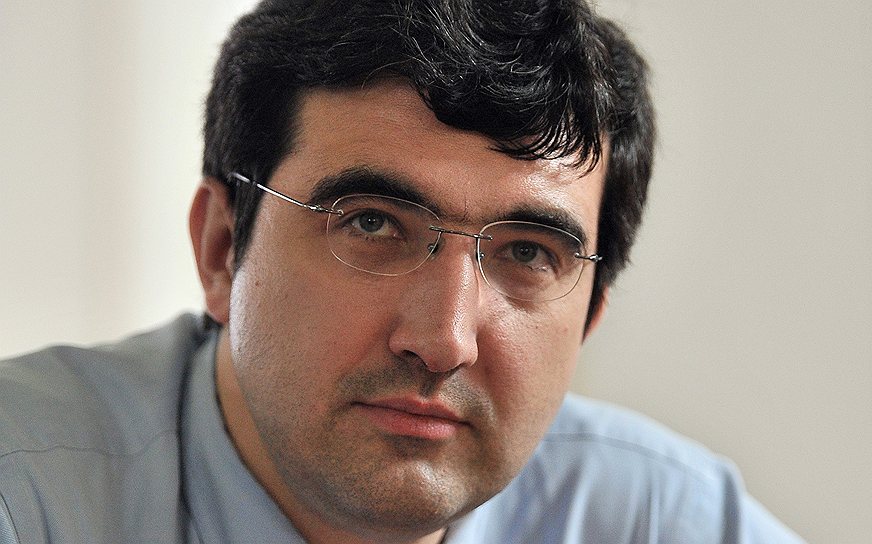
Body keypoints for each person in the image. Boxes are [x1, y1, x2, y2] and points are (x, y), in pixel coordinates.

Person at [0, 1, 804, 542]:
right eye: (372, 224)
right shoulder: (25, 494)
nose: (444, 340)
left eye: (528, 253)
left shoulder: (662, 519)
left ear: (590, 315)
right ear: (221, 248)